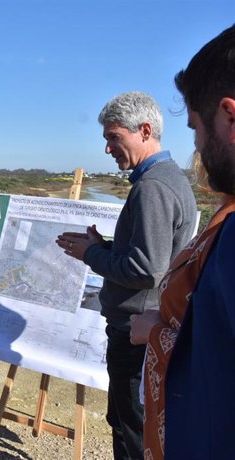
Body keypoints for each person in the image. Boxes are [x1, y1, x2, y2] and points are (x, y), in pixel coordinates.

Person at [56, 92, 197, 460]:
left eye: (113, 137)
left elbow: (146, 269)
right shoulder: (165, 179)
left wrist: (91, 254)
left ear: (145, 130)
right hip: (141, 327)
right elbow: (155, 257)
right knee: (128, 424)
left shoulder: (153, 187)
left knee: (134, 433)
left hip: (135, 334)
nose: (107, 149)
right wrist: (104, 245)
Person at [131, 25, 235, 460]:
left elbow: (148, 266)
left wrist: (155, 330)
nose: (195, 144)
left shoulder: (153, 187)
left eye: (196, 127)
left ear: (229, 118)